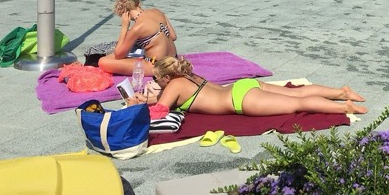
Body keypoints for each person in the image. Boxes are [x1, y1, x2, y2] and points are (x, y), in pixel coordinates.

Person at [128, 56, 367, 119]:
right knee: (298, 93)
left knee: (298, 104)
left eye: (158, 80)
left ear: (167, 78)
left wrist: (136, 104)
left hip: (240, 101)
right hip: (241, 87)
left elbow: (160, 111)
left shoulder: (172, 86)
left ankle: (344, 107)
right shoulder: (188, 75)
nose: (157, 84)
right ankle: (340, 92)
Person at [98, 0, 178, 76]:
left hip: (158, 66)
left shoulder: (137, 28)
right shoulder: (157, 11)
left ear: (125, 14)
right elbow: (173, 36)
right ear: (138, 4)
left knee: (104, 61)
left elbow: (118, 55)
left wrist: (124, 28)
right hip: (173, 59)